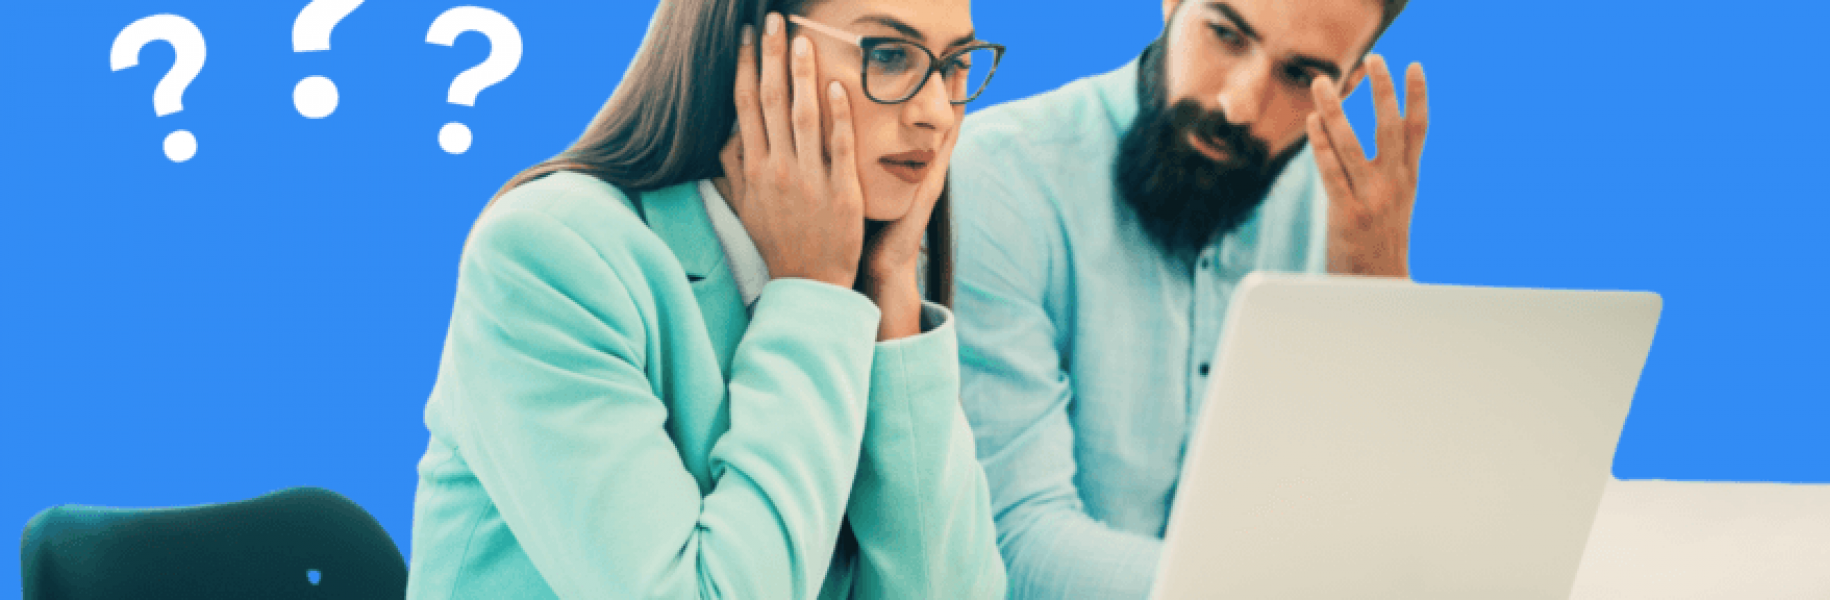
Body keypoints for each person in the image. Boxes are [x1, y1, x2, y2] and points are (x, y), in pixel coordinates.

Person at [406, 0, 1008, 597]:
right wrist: (813, 293)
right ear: (752, 52)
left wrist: (895, 291)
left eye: (956, 64)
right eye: (887, 54)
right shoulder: (549, 254)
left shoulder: (870, 282)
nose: (937, 112)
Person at [947, 0, 1424, 597]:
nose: (1240, 104)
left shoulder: (1348, 220)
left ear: (1349, 84)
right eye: (1226, 34)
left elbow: (1380, 529)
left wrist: (1378, 301)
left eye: (1300, 76)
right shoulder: (1000, 180)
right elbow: (1009, 542)